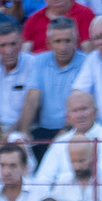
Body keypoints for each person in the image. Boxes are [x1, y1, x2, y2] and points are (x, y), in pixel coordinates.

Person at [34, 91, 102, 191]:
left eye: (84, 109)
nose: (80, 115)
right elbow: (43, 179)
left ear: (95, 111)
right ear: (67, 116)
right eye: (75, 110)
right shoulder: (60, 142)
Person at [28, 17, 86, 155]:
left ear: (76, 41)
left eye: (67, 41)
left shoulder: (87, 62)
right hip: (44, 129)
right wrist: (24, 131)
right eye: (58, 41)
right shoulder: (39, 60)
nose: (63, 47)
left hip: (75, 130)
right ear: (49, 43)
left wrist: (63, 134)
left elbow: (81, 103)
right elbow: (32, 99)